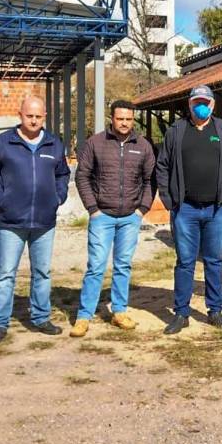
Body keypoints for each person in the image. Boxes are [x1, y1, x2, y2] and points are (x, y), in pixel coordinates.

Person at [0, 94, 70, 343]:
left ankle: (41, 317)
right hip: (11, 221)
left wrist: (58, 197)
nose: (33, 121)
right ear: (20, 115)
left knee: (42, 272)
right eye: (29, 116)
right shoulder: (2, 143)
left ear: (44, 117)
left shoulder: (54, 144)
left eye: (38, 116)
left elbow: (63, 174)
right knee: (6, 273)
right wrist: (2, 199)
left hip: (44, 221)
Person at [155, 85, 222, 335]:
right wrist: (169, 200)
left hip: (216, 210)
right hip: (185, 209)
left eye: (205, 102)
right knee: (185, 262)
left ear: (213, 105)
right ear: (189, 104)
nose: (200, 106)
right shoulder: (176, 131)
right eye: (196, 102)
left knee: (214, 260)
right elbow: (162, 167)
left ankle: (215, 310)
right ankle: (181, 313)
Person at [72, 99, 156, 338]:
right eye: (120, 119)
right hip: (102, 217)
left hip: (131, 217)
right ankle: (84, 316)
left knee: (123, 266)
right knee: (96, 267)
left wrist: (142, 209)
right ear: (112, 118)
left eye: (129, 119)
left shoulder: (143, 145)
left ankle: (119, 311)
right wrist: (93, 209)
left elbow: (151, 179)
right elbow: (82, 176)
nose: (124, 123)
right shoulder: (96, 143)